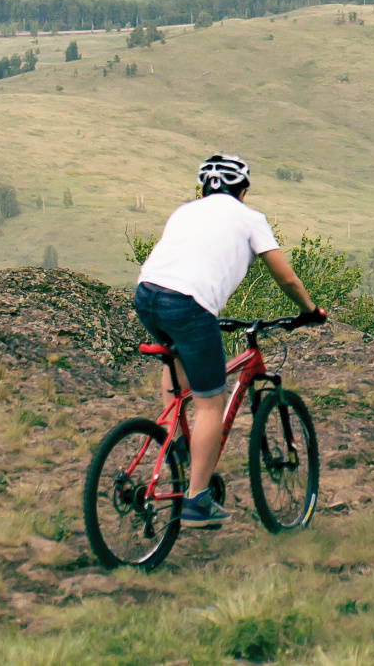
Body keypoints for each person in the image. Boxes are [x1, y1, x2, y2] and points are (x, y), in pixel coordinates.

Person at [134, 153, 325, 531]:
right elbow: (285, 278)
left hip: (146, 294)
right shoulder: (250, 218)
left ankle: (175, 443)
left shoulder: (184, 212)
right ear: (244, 189)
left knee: (175, 363)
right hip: (187, 302)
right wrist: (310, 309)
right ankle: (196, 502)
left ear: (204, 187)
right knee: (210, 403)